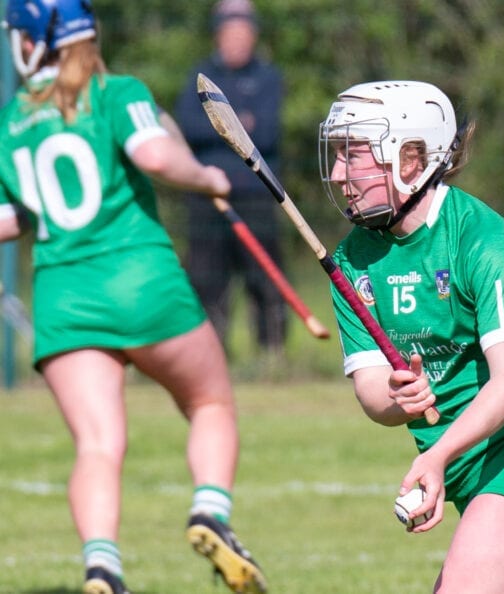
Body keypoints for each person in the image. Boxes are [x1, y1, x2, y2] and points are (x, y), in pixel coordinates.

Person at [0, 1, 267, 593]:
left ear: (28, 44)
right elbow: (153, 155)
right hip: (141, 282)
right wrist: (208, 177)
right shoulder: (117, 92)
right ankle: (210, 511)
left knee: (97, 444)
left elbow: (12, 216)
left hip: (65, 298)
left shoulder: (11, 120)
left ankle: (103, 567)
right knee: (210, 403)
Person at [318, 80, 504, 593]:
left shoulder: (483, 241)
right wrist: (399, 399)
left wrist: (437, 455)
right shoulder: (351, 261)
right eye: (336, 155)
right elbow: (373, 394)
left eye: (354, 155)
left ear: (411, 157)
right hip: (474, 473)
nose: (337, 174)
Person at [175, 0, 286, 357]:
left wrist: (221, 126)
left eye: (243, 33)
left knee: (264, 278)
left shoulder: (268, 78)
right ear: (218, 35)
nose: (236, 40)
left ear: (253, 35)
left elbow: (267, 134)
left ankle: (273, 355)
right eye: (229, 33)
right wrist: (239, 125)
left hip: (257, 193)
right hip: (209, 197)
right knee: (208, 280)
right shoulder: (199, 75)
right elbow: (189, 126)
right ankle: (211, 354)